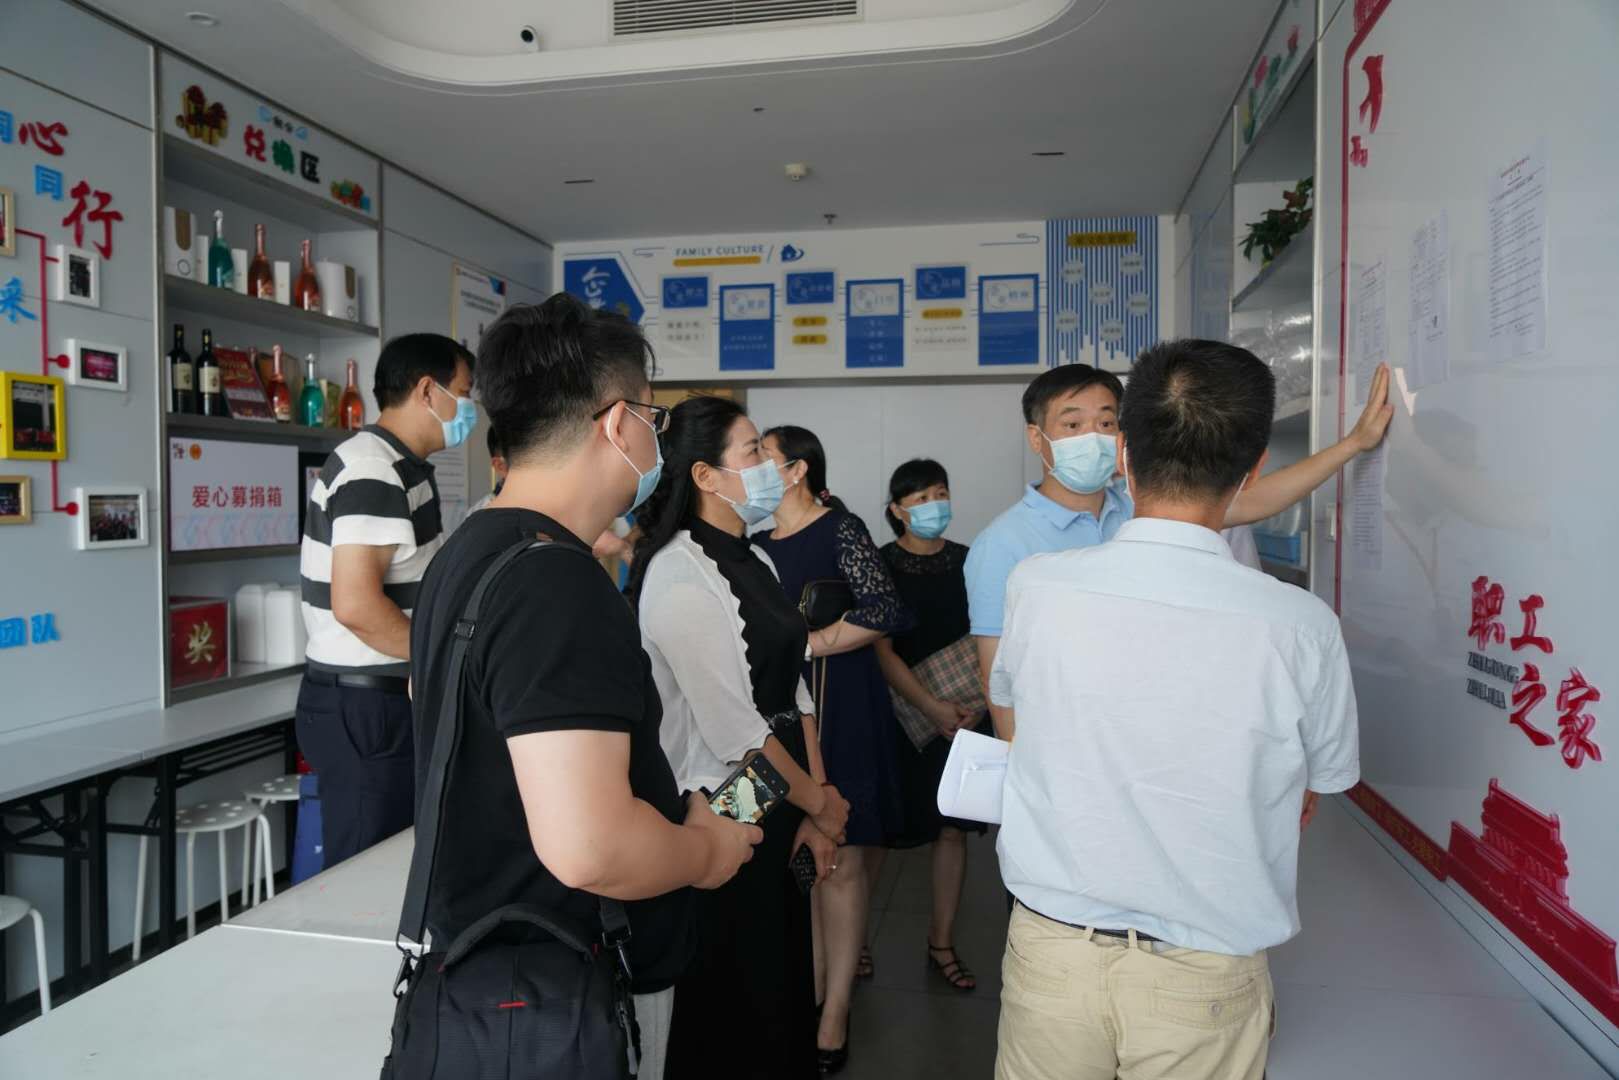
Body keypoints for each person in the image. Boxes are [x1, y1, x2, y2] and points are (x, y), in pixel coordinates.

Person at [408, 296, 762, 1079]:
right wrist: (704, 850)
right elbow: (589, 846)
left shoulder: (468, 552)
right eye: (653, 419)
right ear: (617, 424)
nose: (654, 441)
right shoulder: (556, 584)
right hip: (563, 985)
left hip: (486, 966)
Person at [990, 339, 1363, 1080]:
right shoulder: (1301, 626)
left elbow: (1014, 711)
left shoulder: (1037, 586)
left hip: (1053, 952)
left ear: (1124, 455)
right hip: (1205, 970)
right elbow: (1315, 789)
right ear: (1253, 467)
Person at [966, 360, 1393, 739]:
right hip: (1066, 741)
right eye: (1072, 425)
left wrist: (1352, 444)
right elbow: (998, 679)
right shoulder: (1002, 544)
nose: (1092, 437)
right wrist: (1022, 765)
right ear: (1037, 437)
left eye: (1106, 423)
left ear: (1122, 438)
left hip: (1155, 726)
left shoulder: (1144, 503)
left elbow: (1254, 500)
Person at [629, 395, 852, 1080]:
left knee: (780, 970)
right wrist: (818, 804)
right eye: (753, 451)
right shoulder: (678, 573)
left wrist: (817, 802)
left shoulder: (756, 557)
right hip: (723, 804)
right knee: (737, 984)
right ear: (705, 475)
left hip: (779, 789)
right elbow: (736, 734)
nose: (769, 466)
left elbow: (794, 688)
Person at [754, 425, 913, 1075]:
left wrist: (810, 644)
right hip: (777, 718)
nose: (751, 470)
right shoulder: (752, 544)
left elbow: (884, 608)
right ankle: (810, 988)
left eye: (761, 459)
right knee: (795, 860)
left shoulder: (840, 528)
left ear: (796, 470)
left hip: (841, 707)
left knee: (841, 860)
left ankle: (835, 1010)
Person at [297, 333, 474, 868]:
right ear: (428, 391)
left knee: (394, 866)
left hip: (379, 701)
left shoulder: (400, 466)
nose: (469, 408)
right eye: (465, 392)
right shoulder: (373, 468)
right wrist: (440, 659)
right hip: (366, 708)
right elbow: (356, 605)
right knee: (364, 875)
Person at [873, 459, 990, 995]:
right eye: (919, 498)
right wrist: (929, 706)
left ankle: (942, 942)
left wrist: (973, 707)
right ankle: (855, 942)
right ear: (897, 510)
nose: (933, 506)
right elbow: (880, 649)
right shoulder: (880, 564)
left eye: (940, 493)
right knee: (880, 834)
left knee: (953, 830)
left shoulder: (971, 561)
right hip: (901, 716)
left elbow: (989, 636)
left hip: (966, 715)